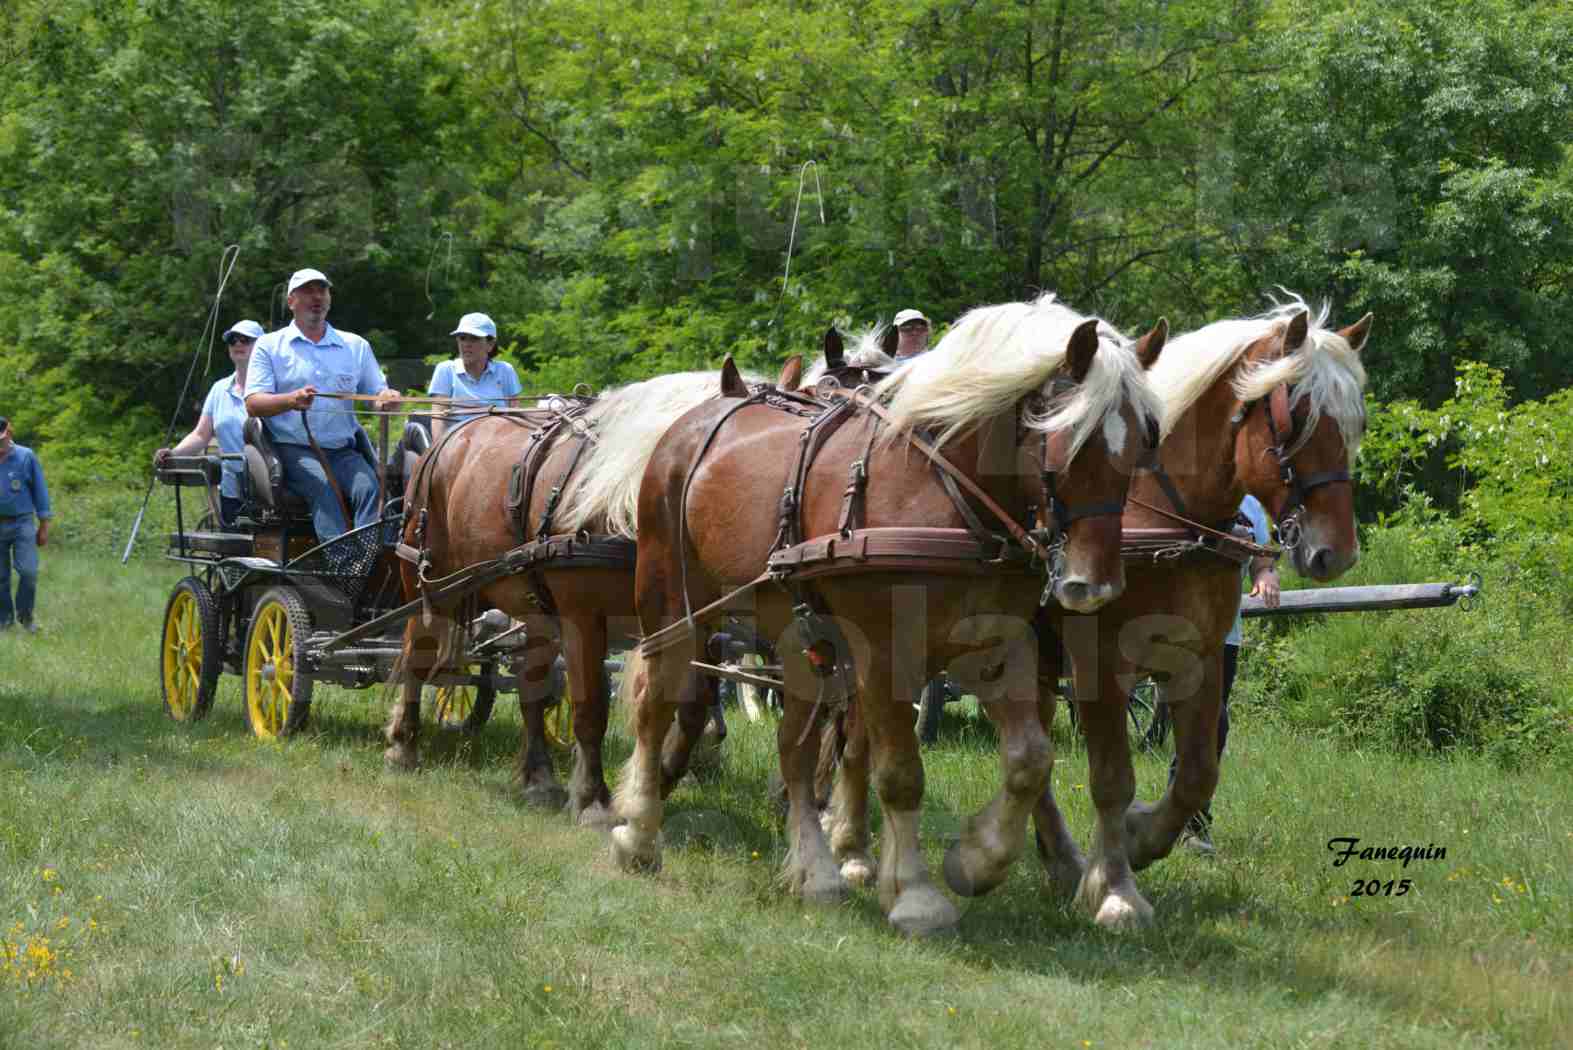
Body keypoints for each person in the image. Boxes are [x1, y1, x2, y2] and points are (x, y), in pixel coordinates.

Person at [243, 268, 401, 541]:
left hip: (341, 450)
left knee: (371, 490)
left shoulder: (355, 345)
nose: (317, 297)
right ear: (291, 301)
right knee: (325, 490)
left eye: (322, 290)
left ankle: (371, 564)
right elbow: (253, 403)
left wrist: (387, 400)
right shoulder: (269, 345)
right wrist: (291, 400)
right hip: (292, 451)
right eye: (308, 291)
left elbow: (377, 394)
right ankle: (344, 567)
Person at [1174, 492, 1280, 854]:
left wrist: (1266, 575)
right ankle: (1178, 820)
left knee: (1213, 726)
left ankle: (1190, 821)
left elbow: (1263, 558)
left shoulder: (1251, 505)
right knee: (1202, 722)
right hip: (1173, 628)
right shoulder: (1180, 487)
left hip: (1224, 634)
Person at [155, 319, 264, 525]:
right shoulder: (219, 389)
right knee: (235, 547)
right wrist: (172, 454)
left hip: (269, 489)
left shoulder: (272, 388)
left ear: (262, 346)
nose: (238, 344)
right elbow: (200, 435)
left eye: (246, 339)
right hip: (232, 488)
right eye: (232, 340)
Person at [426, 312, 522, 441]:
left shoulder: (505, 370)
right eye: (462, 338)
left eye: (474, 338)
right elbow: (438, 420)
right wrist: (441, 458)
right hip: (457, 447)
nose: (466, 344)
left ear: (490, 344)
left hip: (498, 443)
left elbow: (516, 418)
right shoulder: (445, 370)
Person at [0, 415, 53, 633]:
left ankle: (26, 617)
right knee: (0, 578)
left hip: (22, 523)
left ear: (9, 434)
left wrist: (44, 526)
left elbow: (40, 492)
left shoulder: (25, 456)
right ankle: (4, 620)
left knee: (29, 572)